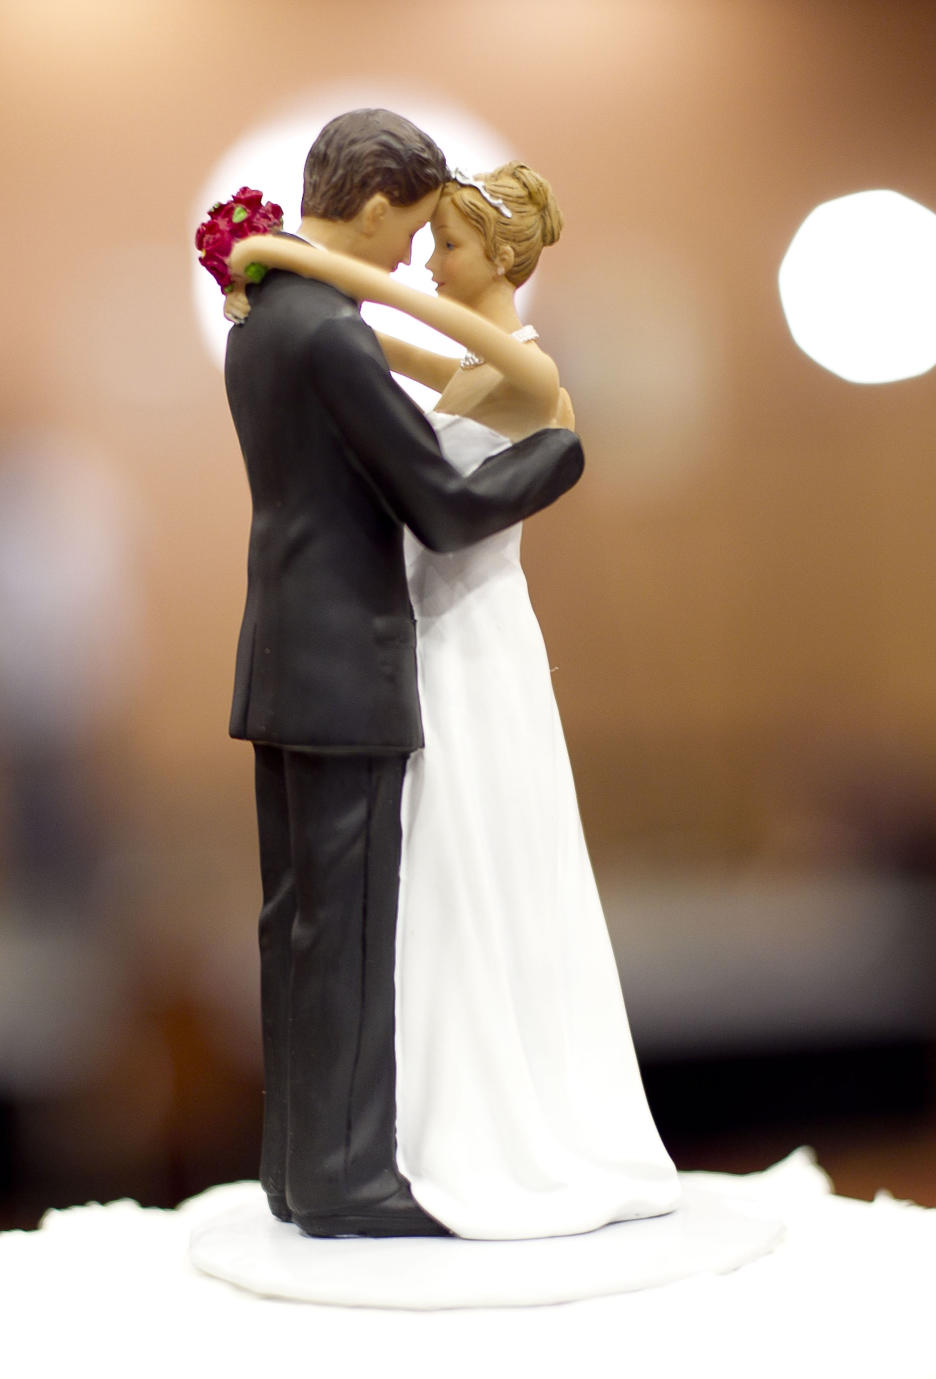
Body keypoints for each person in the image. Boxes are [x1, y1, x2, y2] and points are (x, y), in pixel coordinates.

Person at [229, 161, 679, 1239]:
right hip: (414, 637)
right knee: (411, 887)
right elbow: (399, 349)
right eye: (428, 240)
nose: (431, 260)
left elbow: (451, 402)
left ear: (506, 258)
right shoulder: (479, 367)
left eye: (455, 245)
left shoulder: (522, 371)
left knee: (458, 867)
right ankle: (400, 1130)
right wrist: (290, 271)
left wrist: (292, 265)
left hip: (470, 641)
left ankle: (446, 1125)